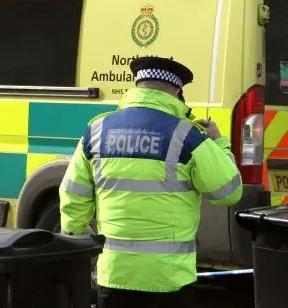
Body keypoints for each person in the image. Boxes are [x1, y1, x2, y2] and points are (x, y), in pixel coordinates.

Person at [59, 56, 243, 308]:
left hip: (114, 275)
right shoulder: (187, 135)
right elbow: (228, 192)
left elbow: (73, 196)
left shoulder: (97, 131)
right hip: (168, 279)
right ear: (177, 91)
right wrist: (218, 143)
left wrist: (76, 248)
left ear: (137, 85)